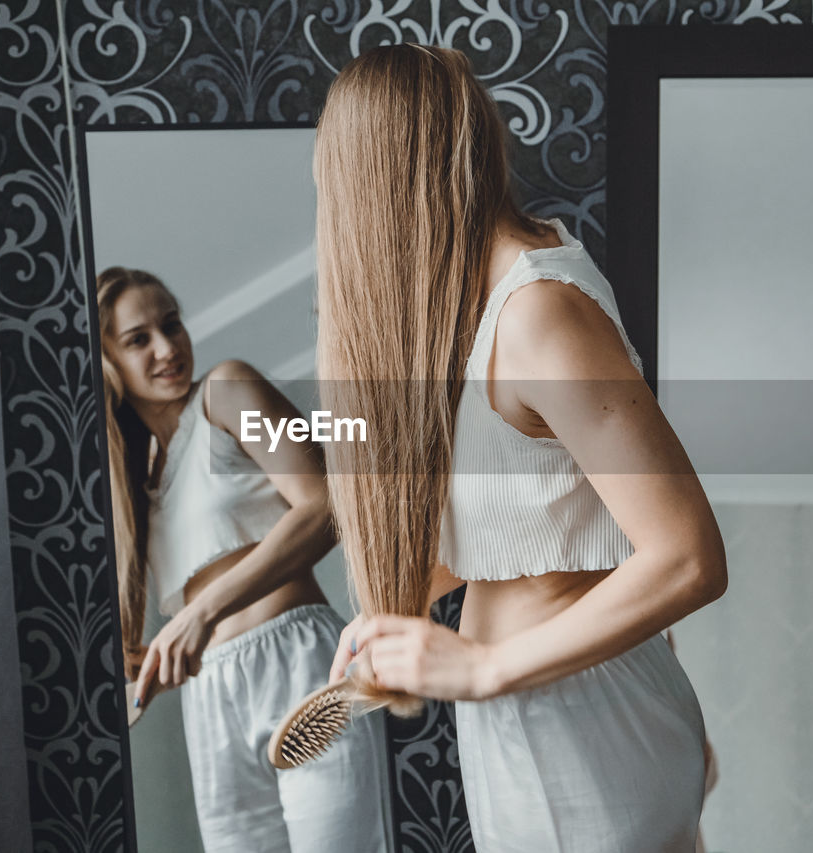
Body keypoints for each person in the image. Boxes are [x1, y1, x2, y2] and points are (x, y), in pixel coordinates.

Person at [315, 45, 728, 852]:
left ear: (379, 179)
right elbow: (536, 520)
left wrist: (483, 669)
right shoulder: (472, 314)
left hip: (582, 714)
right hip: (524, 707)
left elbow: (689, 556)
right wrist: (390, 612)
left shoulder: (537, 316)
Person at [98, 266, 389, 853]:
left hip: (301, 669)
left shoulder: (227, 392)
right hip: (211, 700)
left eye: (171, 324)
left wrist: (200, 614)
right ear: (107, 363)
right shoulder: (130, 483)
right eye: (138, 339)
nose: (167, 347)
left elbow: (326, 505)